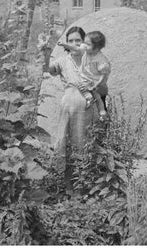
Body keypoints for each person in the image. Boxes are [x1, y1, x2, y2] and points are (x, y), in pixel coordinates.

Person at [43, 26, 99, 196]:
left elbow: (101, 85)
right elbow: (48, 70)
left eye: (78, 40)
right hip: (67, 108)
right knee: (66, 145)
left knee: (83, 145)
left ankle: (83, 189)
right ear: (67, 43)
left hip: (87, 110)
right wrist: (45, 53)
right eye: (71, 41)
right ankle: (68, 188)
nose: (74, 44)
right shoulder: (62, 61)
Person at [57, 31, 110, 120]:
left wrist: (96, 84)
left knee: (97, 96)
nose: (84, 45)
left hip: (94, 82)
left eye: (87, 44)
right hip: (85, 78)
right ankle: (93, 102)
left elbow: (103, 75)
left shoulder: (101, 60)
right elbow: (76, 48)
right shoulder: (86, 51)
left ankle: (101, 111)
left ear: (97, 48)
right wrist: (65, 45)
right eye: (84, 42)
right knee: (80, 86)